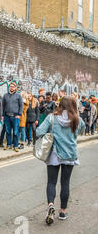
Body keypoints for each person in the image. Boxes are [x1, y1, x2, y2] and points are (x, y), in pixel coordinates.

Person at [36, 96, 85, 224]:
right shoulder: (77, 120)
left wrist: (50, 134)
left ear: (60, 105)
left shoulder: (52, 118)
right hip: (70, 155)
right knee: (65, 183)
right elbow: (82, 131)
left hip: (54, 154)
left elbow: (38, 131)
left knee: (51, 182)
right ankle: (62, 212)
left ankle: (50, 205)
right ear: (73, 106)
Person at [2, 81, 23, 152]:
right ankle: (9, 145)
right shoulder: (5, 95)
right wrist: (2, 115)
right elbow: (3, 106)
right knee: (8, 131)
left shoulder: (18, 95)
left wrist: (19, 114)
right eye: (10, 86)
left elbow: (21, 105)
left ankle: (16, 146)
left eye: (13, 86)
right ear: (9, 87)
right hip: (7, 116)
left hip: (15, 117)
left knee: (15, 132)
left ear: (15, 88)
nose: (11, 87)